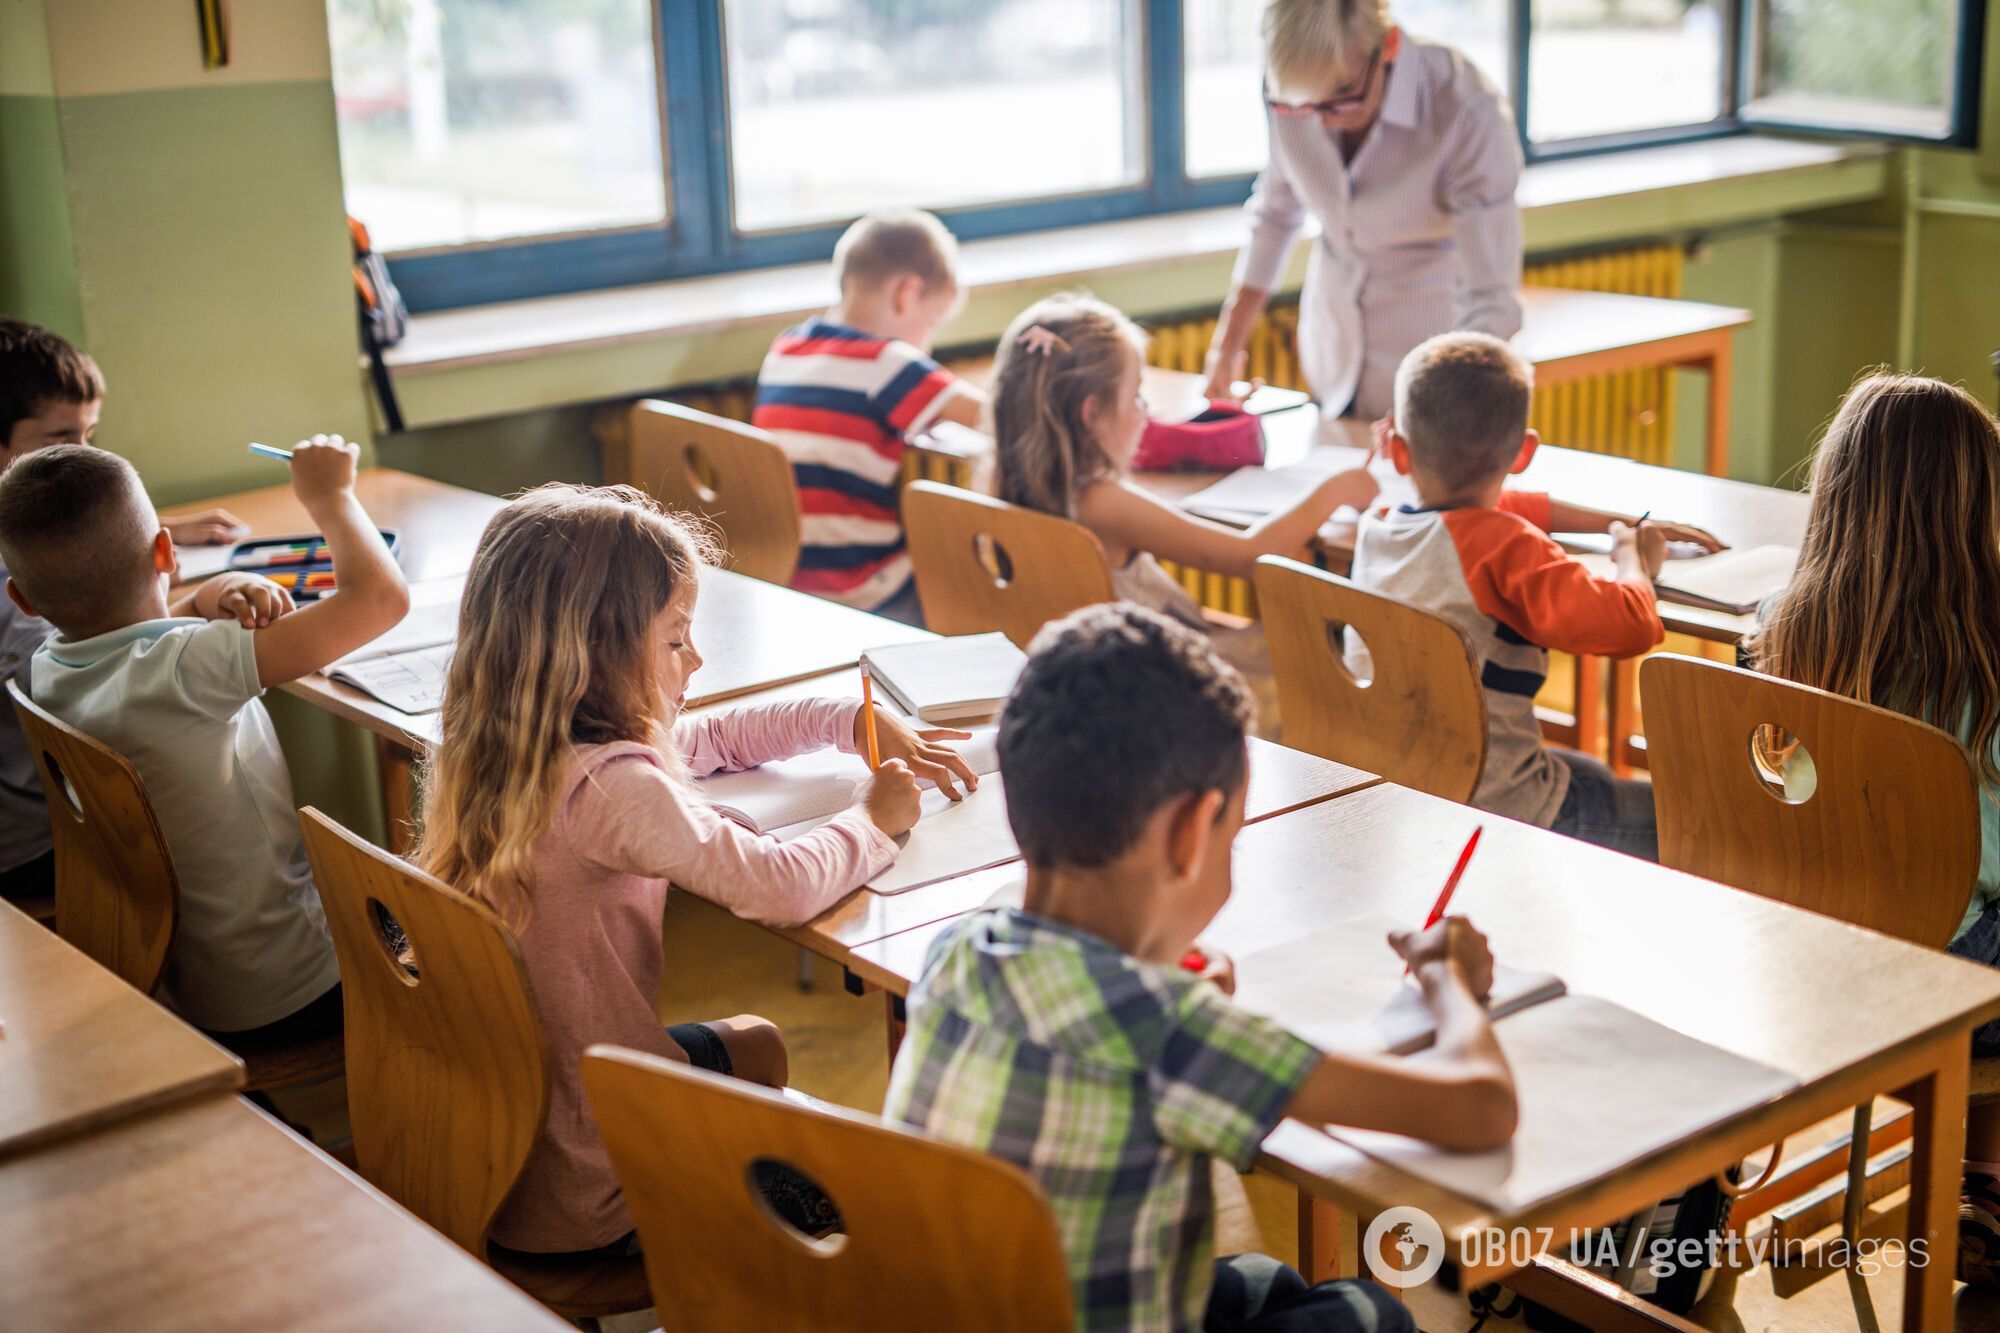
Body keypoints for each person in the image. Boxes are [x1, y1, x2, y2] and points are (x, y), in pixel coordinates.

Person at [886, 602, 1517, 1331]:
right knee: (1369, 1311)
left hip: (987, 1306)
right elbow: (1480, 1109)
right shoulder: (1169, 1033)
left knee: (1266, 1280)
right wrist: (1446, 976)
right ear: (1190, 832)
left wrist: (1169, 976)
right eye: (1235, 835)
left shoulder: (957, 949)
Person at [417, 482, 978, 1253]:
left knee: (756, 1047)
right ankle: (764, 1272)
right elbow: (778, 887)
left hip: (508, 1146)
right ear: (598, 653)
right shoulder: (614, 788)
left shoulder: (504, 746)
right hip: (596, 1185)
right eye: (676, 638)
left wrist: (843, 720)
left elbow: (708, 737)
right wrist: (873, 819)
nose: (697, 657)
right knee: (878, 1187)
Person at [0, 438, 408, 1039]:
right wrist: (332, 496)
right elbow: (380, 598)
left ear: (23, 598)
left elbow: (150, 630)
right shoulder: (188, 667)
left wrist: (219, 591)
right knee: (448, 909)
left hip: (197, 986)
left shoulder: (50, 669)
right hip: (296, 983)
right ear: (167, 551)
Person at [1744, 373, 2000, 1285]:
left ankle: (1976, 1180)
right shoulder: (1988, 667)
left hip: (1806, 951)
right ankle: (1985, 1178)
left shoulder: (1789, 627)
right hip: (1932, 985)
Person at [1352, 333, 1717, 860]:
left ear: (1399, 452)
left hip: (1406, 782)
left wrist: (1615, 520)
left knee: (1588, 769)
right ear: (1525, 452)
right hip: (1497, 804)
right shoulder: (1503, 546)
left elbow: (1500, 507)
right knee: (1699, 819)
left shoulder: (1380, 526)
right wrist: (1632, 556)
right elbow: (1630, 624)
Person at [992, 292, 1376, 732]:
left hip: (1087, 682)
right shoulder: (1101, 501)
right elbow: (1252, 555)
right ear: (1091, 413)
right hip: (1169, 692)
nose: (1146, 411)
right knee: (1319, 657)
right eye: (1136, 396)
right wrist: (1337, 488)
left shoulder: (1005, 483)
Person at [0, 319, 248, 906]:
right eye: (60, 440)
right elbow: (110, 652)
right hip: (47, 844)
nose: (82, 455)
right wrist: (185, 594)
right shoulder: (13, 583)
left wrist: (129, 533)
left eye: (90, 433)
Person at [1202, 0, 1524, 422]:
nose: (1322, 122)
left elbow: (1491, 300)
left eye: (1342, 97)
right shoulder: (1290, 89)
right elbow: (1277, 212)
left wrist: (1444, 406)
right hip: (1332, 356)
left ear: (1388, 47)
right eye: (1303, 107)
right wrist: (1227, 346)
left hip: (1432, 360)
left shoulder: (1466, 107)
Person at [752, 209, 989, 624]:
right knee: (971, 586)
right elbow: (994, 417)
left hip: (781, 578)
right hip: (861, 589)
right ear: (907, 293)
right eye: (932, 321)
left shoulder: (786, 347)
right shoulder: (890, 364)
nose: (927, 345)